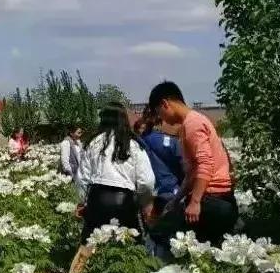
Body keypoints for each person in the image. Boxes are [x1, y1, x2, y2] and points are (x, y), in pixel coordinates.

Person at [145, 82, 236, 246]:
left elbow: (205, 164)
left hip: (212, 199)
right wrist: (176, 200)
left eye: (159, 112)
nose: (161, 119)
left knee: (164, 235)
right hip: (215, 199)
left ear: (165, 104)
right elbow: (192, 173)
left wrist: (194, 202)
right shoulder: (193, 122)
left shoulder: (192, 124)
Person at [75, 105, 155, 243]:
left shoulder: (93, 142)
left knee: (92, 244)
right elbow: (147, 181)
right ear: (124, 119)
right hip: (124, 201)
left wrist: (81, 202)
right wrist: (144, 201)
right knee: (128, 245)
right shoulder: (133, 144)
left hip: (97, 199)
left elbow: (82, 178)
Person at [137, 109, 184, 211]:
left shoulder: (137, 142)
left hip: (146, 195)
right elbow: (184, 168)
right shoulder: (173, 142)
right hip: (171, 192)